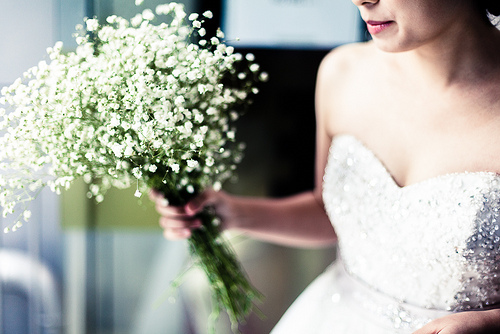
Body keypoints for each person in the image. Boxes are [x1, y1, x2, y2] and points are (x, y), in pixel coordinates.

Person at [149, 0, 500, 332]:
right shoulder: (343, 71)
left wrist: (491, 323)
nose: (360, 0)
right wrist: (231, 213)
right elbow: (331, 212)